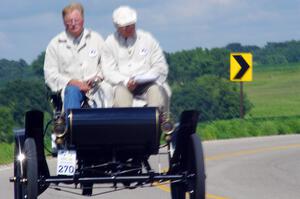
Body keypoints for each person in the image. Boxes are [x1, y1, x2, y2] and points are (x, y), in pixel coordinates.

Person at [43, 3, 111, 156]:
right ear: (64, 22)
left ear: (83, 20)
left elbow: (107, 65)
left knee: (108, 90)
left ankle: (107, 134)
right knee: (72, 91)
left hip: (96, 87)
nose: (73, 24)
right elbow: (50, 75)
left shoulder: (96, 39)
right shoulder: (55, 45)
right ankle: (71, 137)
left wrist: (97, 77)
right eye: (69, 21)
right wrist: (72, 82)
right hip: (69, 90)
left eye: (76, 20)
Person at [102, 5, 171, 114]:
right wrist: (126, 81)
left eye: (131, 25)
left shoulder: (148, 39)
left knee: (156, 92)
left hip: (147, 83)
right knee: (120, 96)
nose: (130, 28)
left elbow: (160, 66)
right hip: (123, 84)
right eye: (126, 26)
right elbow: (108, 71)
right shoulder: (109, 43)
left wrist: (146, 77)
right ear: (117, 27)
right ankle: (125, 127)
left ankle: (155, 125)